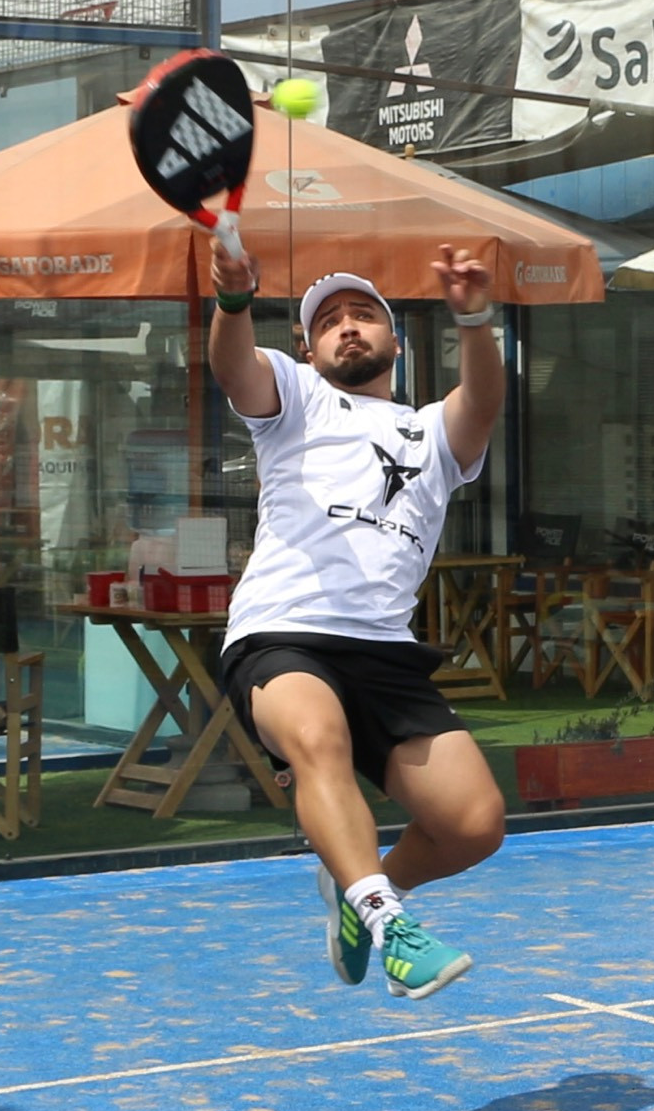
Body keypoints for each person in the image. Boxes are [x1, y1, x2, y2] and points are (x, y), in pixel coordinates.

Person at [209, 239, 507, 1000]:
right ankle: (389, 925)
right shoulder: (295, 396)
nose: (347, 326)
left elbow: (483, 401)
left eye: (363, 314)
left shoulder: (431, 431)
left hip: (383, 648)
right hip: (281, 632)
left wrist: (475, 318)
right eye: (328, 320)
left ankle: (360, 888)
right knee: (319, 740)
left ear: (395, 341)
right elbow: (234, 368)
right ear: (307, 348)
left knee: (475, 824)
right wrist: (234, 299)